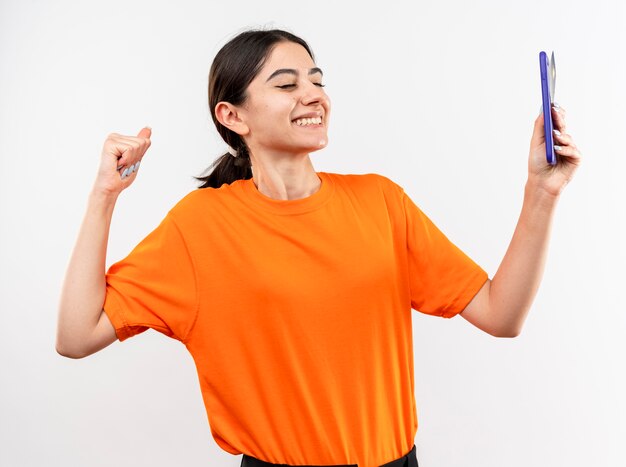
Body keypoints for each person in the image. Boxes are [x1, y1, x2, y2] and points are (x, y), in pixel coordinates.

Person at [56, 28, 581, 467]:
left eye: (317, 79)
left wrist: (542, 190)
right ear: (233, 117)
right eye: (286, 84)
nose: (313, 94)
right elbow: (78, 336)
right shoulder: (201, 226)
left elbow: (501, 313)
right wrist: (104, 196)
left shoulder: (380, 201)